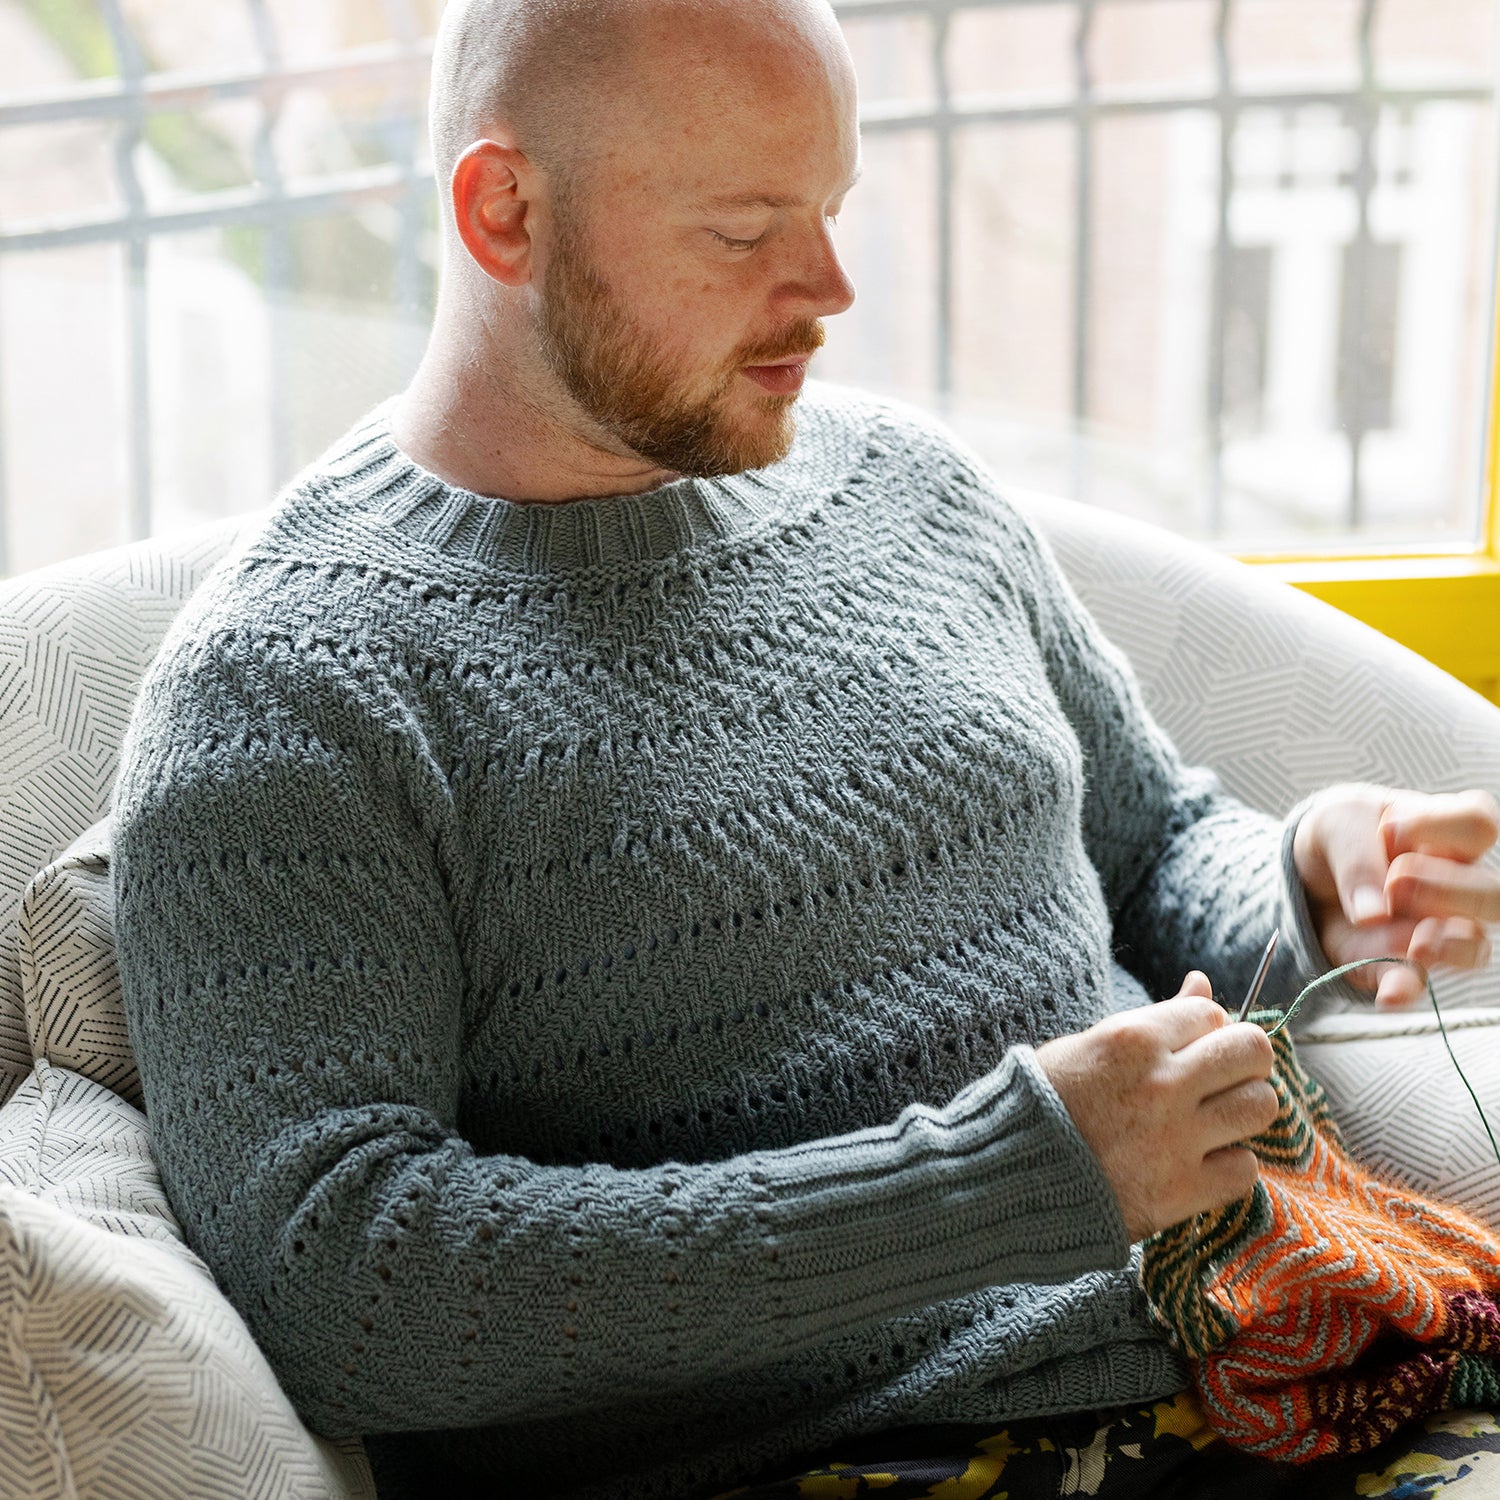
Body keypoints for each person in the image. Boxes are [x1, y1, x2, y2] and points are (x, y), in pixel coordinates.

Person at [109, 0, 1500, 1495]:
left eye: (833, 207)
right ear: (504, 210)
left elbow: (1151, 845)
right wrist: (999, 1185)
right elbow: (347, 1286)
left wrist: (1306, 883)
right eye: (744, 230)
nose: (830, 287)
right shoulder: (289, 698)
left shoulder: (909, 488)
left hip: (1295, 1340)